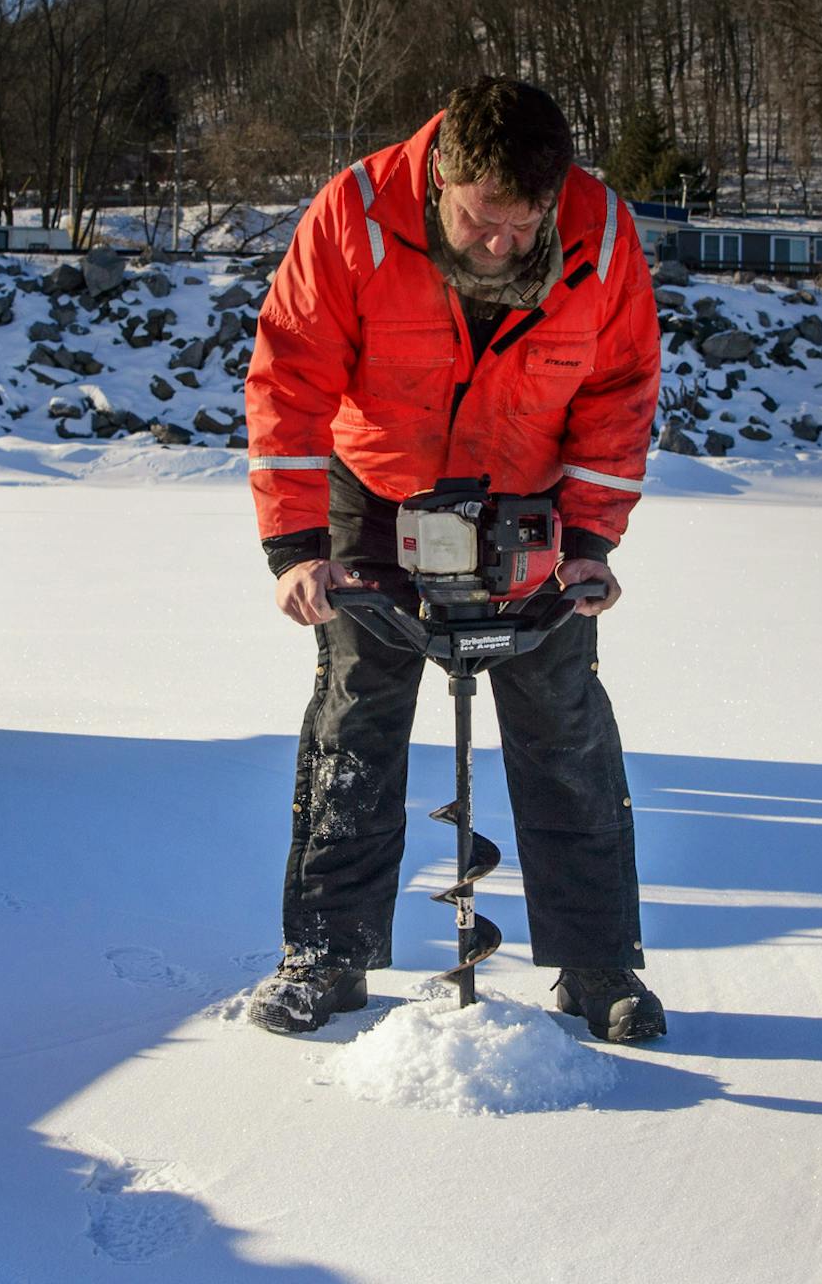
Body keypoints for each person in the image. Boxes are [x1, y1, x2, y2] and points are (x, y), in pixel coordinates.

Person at [242, 77, 665, 1044]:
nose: (500, 244)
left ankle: (598, 963)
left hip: (529, 500)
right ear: (441, 177)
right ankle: (327, 955)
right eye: (480, 221)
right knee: (357, 716)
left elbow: (620, 388)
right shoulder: (353, 214)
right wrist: (296, 546)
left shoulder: (602, 233)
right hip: (376, 490)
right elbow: (289, 375)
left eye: (523, 226)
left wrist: (592, 540)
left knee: (563, 724)